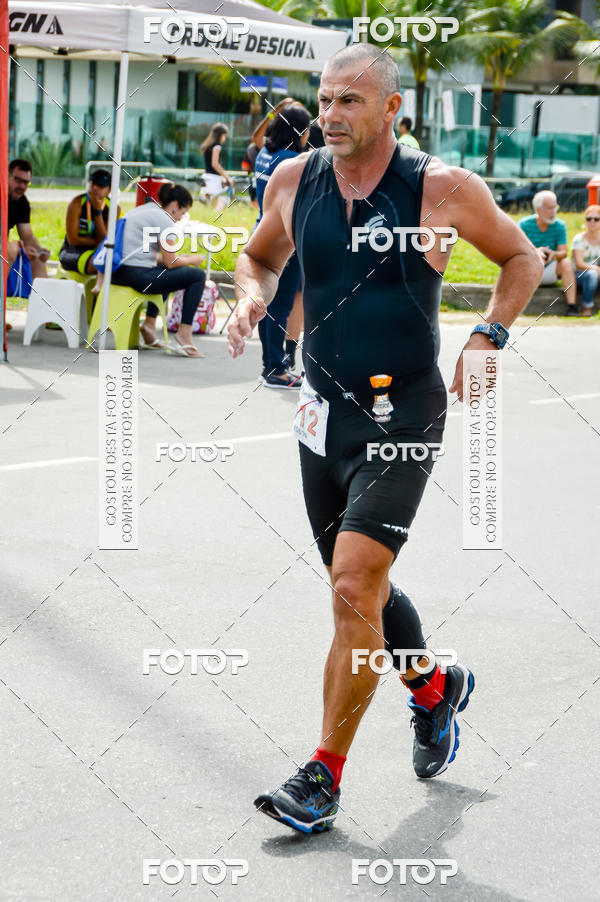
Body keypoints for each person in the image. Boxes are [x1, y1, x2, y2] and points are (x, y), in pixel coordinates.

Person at [228, 42, 542, 834]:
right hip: (320, 412)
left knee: (351, 581)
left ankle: (322, 776)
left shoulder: (440, 189)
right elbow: (258, 257)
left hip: (403, 410)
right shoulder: (293, 179)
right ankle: (434, 688)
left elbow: (521, 256)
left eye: (349, 102)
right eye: (325, 100)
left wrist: (489, 338)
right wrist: (246, 298)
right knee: (356, 589)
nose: (330, 116)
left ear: (392, 109)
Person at [112, 183, 206, 357]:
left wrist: (182, 259)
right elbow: (171, 262)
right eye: (183, 212)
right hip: (135, 275)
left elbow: (153, 257)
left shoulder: (144, 210)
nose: (180, 218)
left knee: (166, 272)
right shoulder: (165, 220)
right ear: (175, 205)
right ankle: (184, 333)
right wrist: (192, 260)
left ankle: (149, 325)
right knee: (198, 276)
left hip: (118, 272)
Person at [253, 103, 310, 387]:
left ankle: (270, 364)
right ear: (300, 131)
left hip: (262, 234)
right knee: (279, 306)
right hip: (285, 243)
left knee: (268, 304)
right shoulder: (292, 162)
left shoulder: (264, 155)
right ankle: (275, 368)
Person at [59, 168, 120, 293]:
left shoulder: (114, 208)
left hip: (96, 251)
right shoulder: (77, 203)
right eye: (93, 183)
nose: (95, 188)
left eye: (100, 185)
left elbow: (105, 240)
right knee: (100, 264)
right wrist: (97, 242)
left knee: (111, 263)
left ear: (109, 190)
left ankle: (98, 305)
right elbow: (73, 240)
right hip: (71, 251)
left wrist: (97, 212)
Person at [519, 190, 578, 315]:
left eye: (555, 207)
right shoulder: (524, 224)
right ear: (538, 209)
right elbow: (517, 250)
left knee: (566, 263)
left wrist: (553, 254)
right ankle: (519, 308)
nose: (553, 212)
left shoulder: (560, 225)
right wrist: (536, 252)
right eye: (549, 208)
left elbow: (563, 252)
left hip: (549, 268)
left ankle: (572, 307)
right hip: (529, 269)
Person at [7, 158, 50, 280]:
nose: (21, 186)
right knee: (10, 249)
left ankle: (42, 298)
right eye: (17, 180)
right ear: (7, 176)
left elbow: (27, 236)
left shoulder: (22, 202)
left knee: (37, 257)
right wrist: (19, 247)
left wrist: (39, 250)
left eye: (25, 182)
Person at [571, 204, 600, 316]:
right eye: (589, 219)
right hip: (581, 275)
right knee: (592, 274)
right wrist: (597, 269)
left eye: (596, 219)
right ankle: (587, 309)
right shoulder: (579, 239)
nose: (592, 222)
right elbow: (579, 264)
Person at [200, 123, 233, 208]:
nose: (225, 138)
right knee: (215, 208)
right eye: (224, 136)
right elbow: (215, 164)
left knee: (208, 207)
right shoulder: (217, 146)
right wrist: (226, 177)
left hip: (207, 176)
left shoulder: (208, 145)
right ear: (221, 135)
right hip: (213, 179)